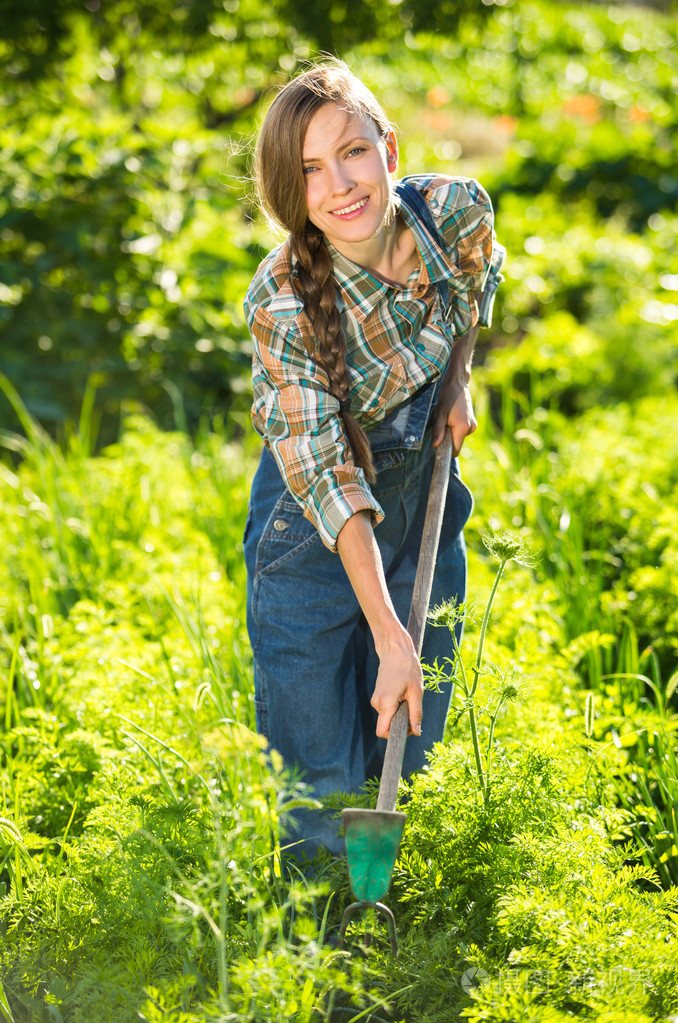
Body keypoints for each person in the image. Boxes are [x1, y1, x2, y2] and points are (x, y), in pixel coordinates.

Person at [242, 59, 505, 864]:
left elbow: (476, 279)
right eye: (310, 171)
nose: (339, 186)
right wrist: (392, 635)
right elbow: (326, 475)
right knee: (321, 783)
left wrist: (454, 382)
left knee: (408, 752)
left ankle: (386, 926)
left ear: (389, 149)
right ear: (294, 191)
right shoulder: (282, 299)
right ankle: (327, 960)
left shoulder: (454, 212)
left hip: (420, 496)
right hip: (313, 539)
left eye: (352, 152)